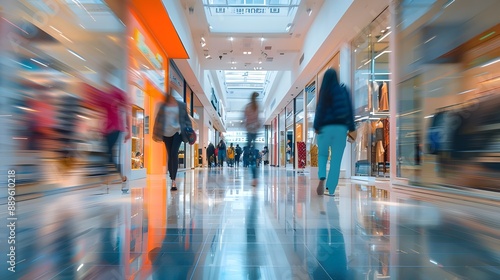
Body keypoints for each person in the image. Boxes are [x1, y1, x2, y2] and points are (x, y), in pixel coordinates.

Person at [313, 68, 356, 196]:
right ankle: (330, 190)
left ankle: (321, 175)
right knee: (336, 160)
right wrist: (352, 128)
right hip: (340, 129)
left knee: (322, 155)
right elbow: (349, 111)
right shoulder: (343, 91)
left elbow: (319, 110)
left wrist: (316, 126)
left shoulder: (324, 92)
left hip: (325, 129)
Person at [152, 93, 192, 191]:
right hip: (166, 133)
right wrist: (156, 133)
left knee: (174, 153)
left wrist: (189, 131)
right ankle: (172, 175)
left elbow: (186, 119)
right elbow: (158, 120)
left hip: (177, 132)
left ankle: (173, 180)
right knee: (170, 155)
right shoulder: (163, 106)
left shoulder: (181, 105)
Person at [244, 91, 262, 186]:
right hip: (254, 133)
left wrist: (247, 124)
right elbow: (258, 121)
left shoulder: (248, 107)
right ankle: (255, 178)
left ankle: (249, 158)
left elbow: (245, 120)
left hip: (249, 133)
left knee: (249, 155)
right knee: (253, 156)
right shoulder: (257, 107)